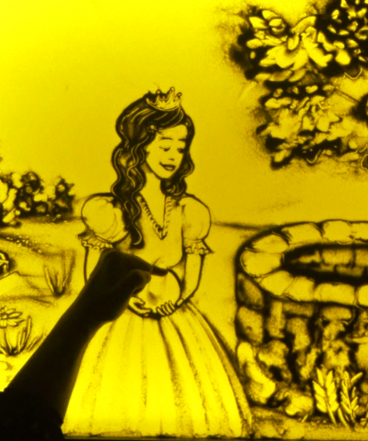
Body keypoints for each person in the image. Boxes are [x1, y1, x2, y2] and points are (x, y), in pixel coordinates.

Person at [61, 88, 251, 437]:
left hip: (174, 315)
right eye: (165, 146)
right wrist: (122, 299)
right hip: (122, 314)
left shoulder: (190, 210)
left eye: (181, 147)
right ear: (140, 148)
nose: (173, 156)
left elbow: (192, 271)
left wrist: (176, 300)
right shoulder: (110, 210)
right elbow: (93, 274)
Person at [0, 249, 154, 440]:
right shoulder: (2, 422)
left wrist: (85, 317)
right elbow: (17, 424)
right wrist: (86, 316)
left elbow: (7, 423)